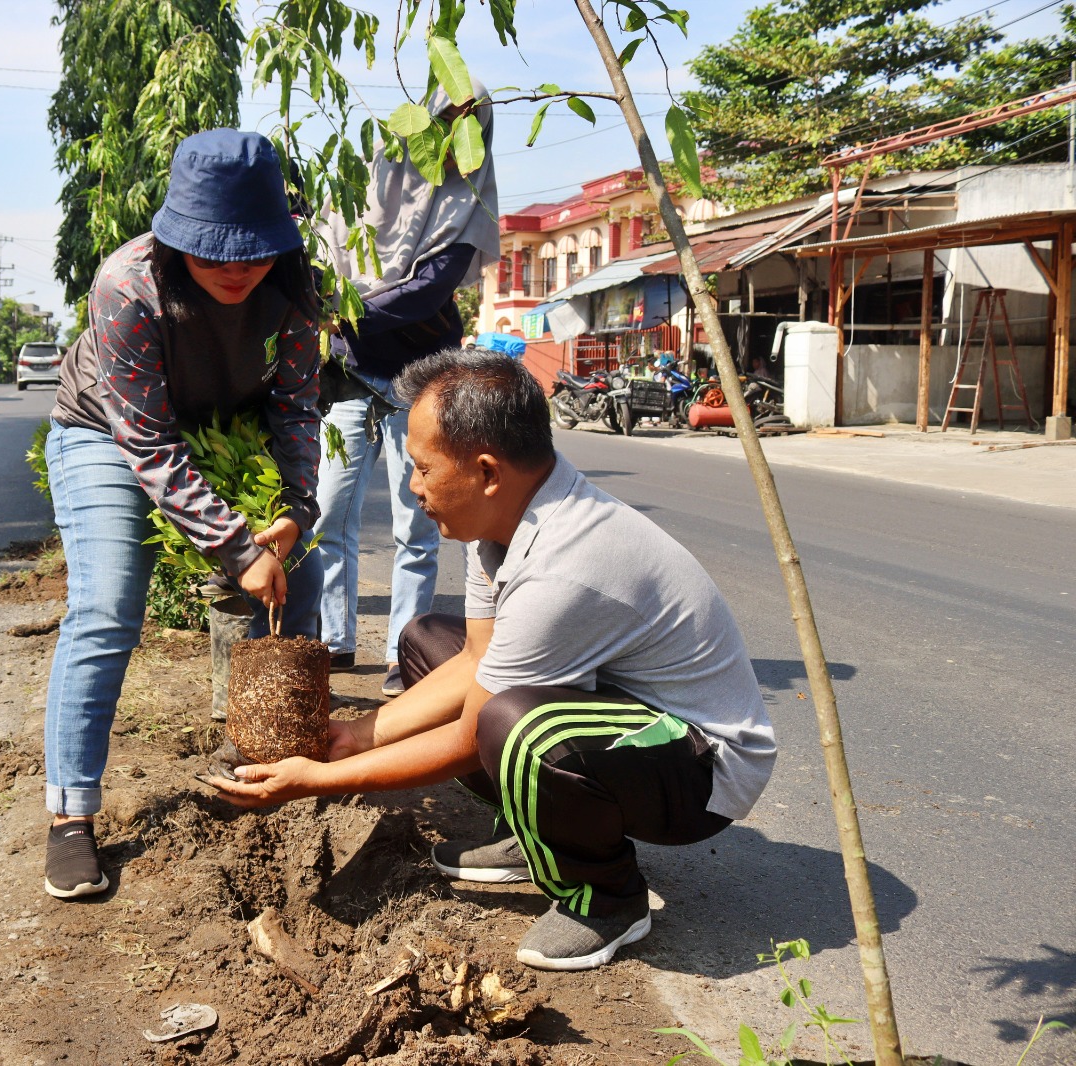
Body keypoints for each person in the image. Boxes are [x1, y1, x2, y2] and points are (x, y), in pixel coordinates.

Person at [212, 348, 776, 972]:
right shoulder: (500, 522)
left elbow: (468, 732)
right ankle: (539, 832)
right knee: (428, 642)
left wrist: (321, 777)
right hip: (626, 721)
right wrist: (353, 738)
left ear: (485, 471)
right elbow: (476, 659)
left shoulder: (566, 562)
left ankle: (607, 896)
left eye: (423, 469)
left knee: (513, 728)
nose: (412, 486)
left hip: (701, 768)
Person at [41, 129, 323, 899]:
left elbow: (297, 407)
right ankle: (71, 816)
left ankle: (263, 758)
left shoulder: (297, 288)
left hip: (224, 426)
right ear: (177, 239)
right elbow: (148, 440)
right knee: (106, 606)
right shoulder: (127, 285)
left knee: (298, 577)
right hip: (107, 429)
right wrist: (237, 547)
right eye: (213, 253)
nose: (237, 269)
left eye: (254, 252)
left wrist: (295, 510)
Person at [311, 82, 501, 696]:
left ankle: (404, 652)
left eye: (469, 127)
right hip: (347, 375)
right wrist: (330, 310)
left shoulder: (468, 201)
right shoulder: (365, 180)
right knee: (327, 514)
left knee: (416, 525)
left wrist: (344, 310)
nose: (453, 144)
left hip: (417, 382)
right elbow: (322, 253)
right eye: (444, 124)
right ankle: (333, 642)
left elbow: (429, 288)